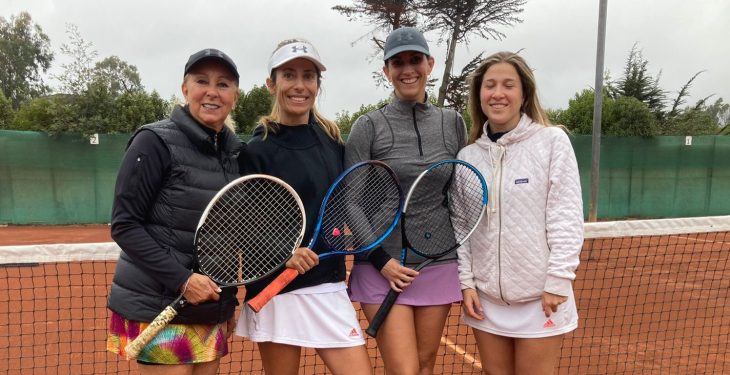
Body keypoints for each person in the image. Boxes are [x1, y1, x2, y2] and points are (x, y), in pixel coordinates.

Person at [234, 38, 372, 375]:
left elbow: (342, 204)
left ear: (317, 84)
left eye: (308, 76)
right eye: (289, 75)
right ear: (272, 83)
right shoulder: (255, 151)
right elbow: (245, 224)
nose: (300, 85)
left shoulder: (332, 141)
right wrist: (286, 252)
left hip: (328, 282)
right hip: (276, 287)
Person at [105, 48, 244, 375]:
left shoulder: (235, 155)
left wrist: (227, 301)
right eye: (201, 81)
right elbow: (124, 225)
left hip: (209, 310)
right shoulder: (153, 141)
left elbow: (226, 235)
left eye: (223, 84)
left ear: (235, 96)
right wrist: (183, 280)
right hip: (159, 306)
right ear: (185, 90)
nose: (212, 91)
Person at [345, 27, 467, 375]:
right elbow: (351, 202)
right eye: (398, 62)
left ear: (430, 64)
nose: (407, 69)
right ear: (387, 71)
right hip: (381, 267)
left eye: (415, 60)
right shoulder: (367, 126)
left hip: (437, 262)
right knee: (404, 369)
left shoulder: (452, 123)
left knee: (426, 365)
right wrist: (381, 260)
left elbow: (457, 194)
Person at [456, 51, 584, 374]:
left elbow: (566, 215)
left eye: (508, 85)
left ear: (524, 93)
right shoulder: (467, 156)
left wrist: (558, 279)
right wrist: (467, 282)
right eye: (490, 85)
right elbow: (462, 225)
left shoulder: (552, 142)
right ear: (479, 95)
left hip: (540, 298)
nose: (498, 93)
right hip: (486, 301)